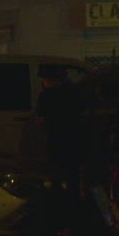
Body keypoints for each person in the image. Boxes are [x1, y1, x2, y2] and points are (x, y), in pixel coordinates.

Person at [36, 65, 88, 204]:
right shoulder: (75, 92)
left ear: (53, 80)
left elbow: (41, 118)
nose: (44, 82)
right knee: (72, 173)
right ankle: (72, 199)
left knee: (57, 171)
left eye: (45, 79)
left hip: (57, 138)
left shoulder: (48, 95)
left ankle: (58, 199)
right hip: (72, 139)